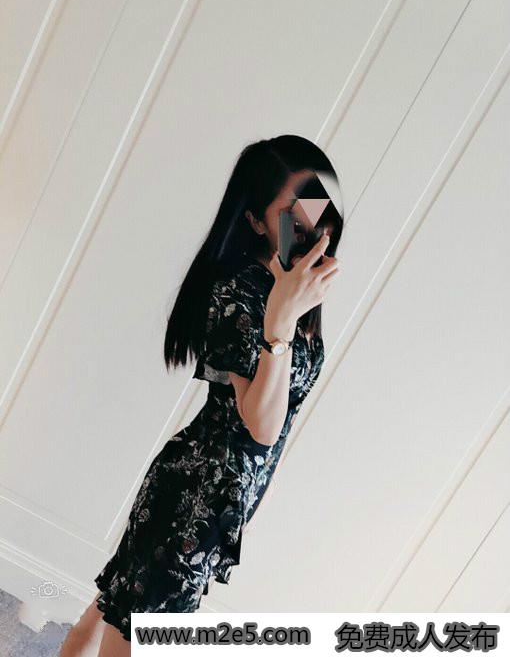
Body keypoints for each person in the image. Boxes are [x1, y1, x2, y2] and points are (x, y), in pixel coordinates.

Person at [58, 135, 343, 656]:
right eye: (292, 216)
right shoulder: (238, 294)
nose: (311, 225)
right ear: (256, 221)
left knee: (104, 614)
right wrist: (280, 324)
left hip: (211, 501)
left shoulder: (289, 287)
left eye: (317, 205)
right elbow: (262, 427)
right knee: (128, 635)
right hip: (190, 505)